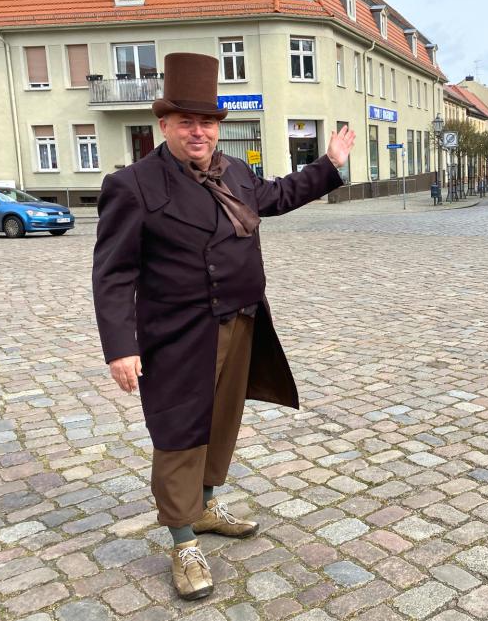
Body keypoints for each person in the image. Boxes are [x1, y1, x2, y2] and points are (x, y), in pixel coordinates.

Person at [91, 53, 355, 601]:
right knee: (180, 431)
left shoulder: (233, 171)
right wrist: (120, 346)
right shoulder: (133, 185)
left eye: (208, 121)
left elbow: (276, 197)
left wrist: (328, 165)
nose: (198, 131)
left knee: (223, 422)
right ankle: (184, 539)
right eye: (186, 121)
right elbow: (113, 272)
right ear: (163, 125)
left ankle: (207, 506)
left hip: (240, 320)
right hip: (178, 335)